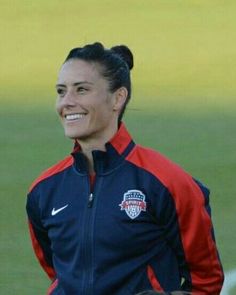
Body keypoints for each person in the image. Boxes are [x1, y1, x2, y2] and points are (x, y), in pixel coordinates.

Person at [26, 42, 224, 295]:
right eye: (61, 91)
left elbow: (206, 281)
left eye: (82, 90)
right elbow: (59, 272)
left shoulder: (166, 182)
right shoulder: (44, 190)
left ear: (118, 98)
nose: (67, 102)